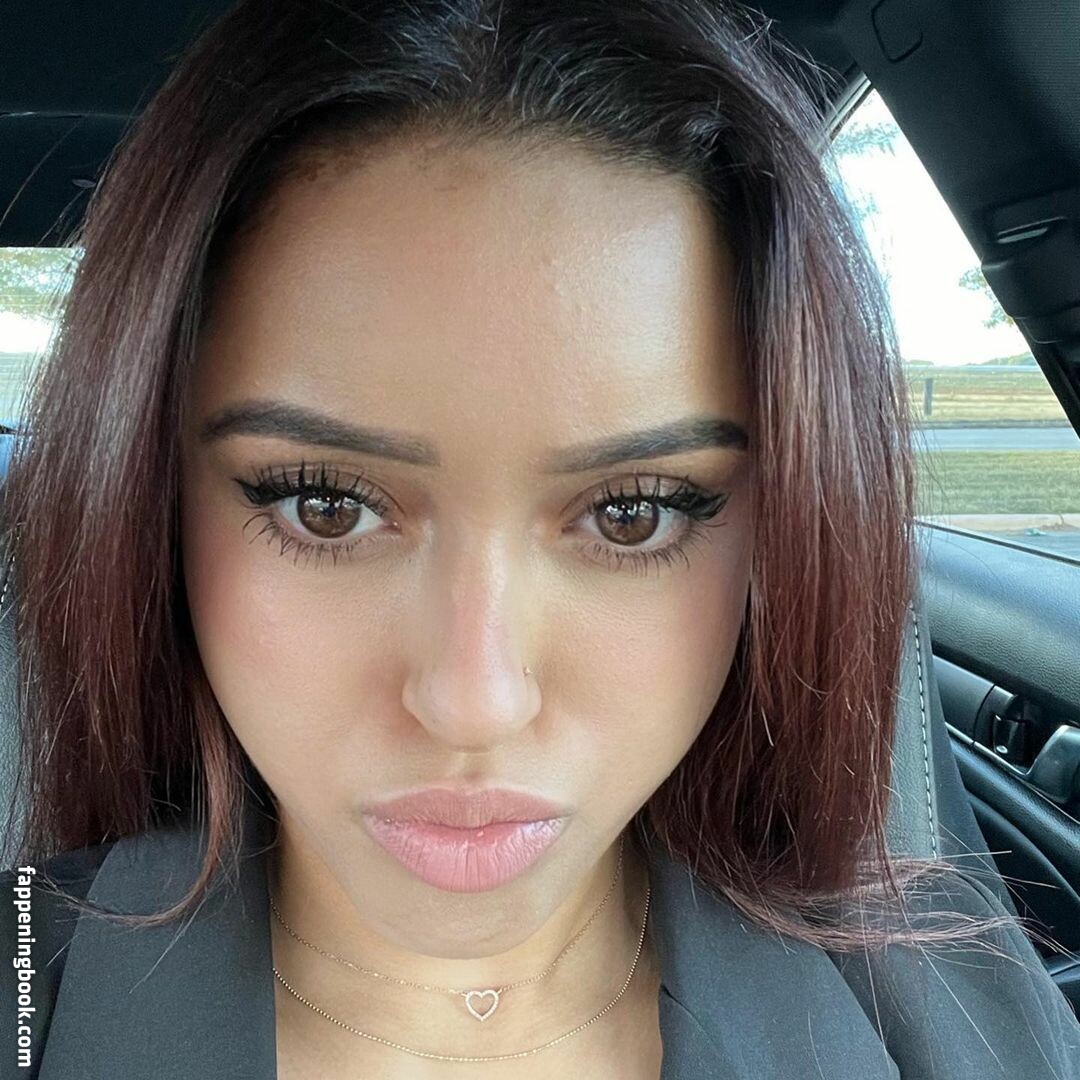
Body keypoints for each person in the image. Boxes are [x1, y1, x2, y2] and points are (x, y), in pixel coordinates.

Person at [2, 1, 1078, 1077]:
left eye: (631, 513)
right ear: (157, 513)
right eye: (325, 504)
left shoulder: (946, 1013)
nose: (476, 702)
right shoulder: (28, 994)